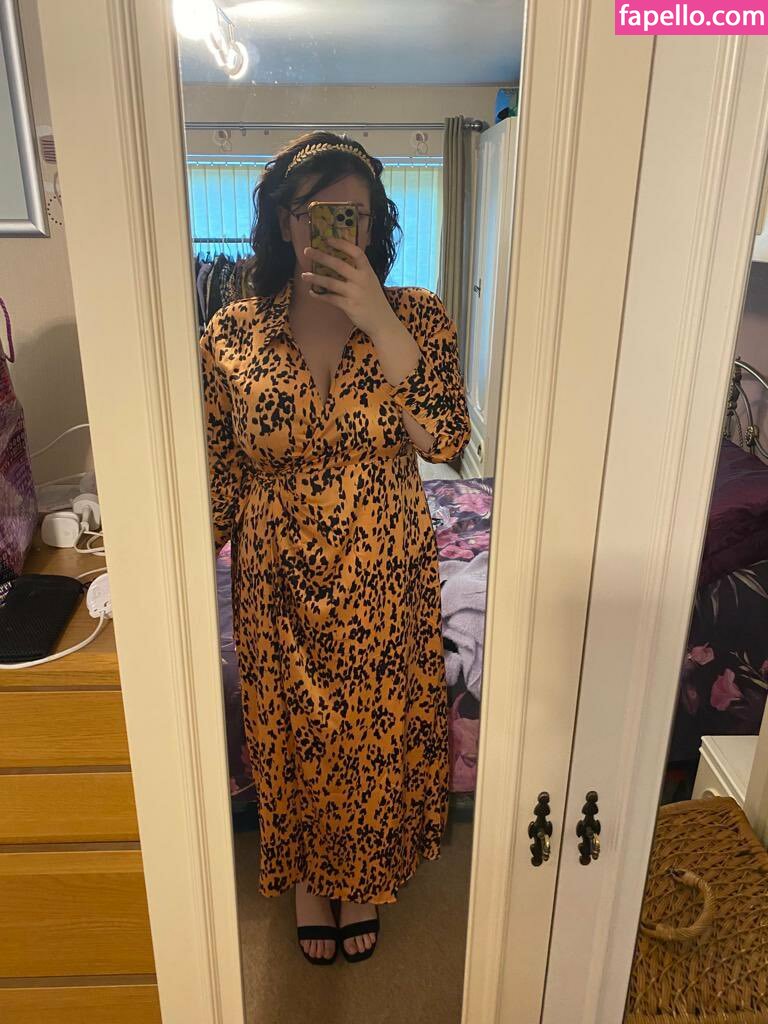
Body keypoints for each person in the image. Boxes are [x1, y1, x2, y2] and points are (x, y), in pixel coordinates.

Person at [198, 131, 471, 966]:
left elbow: (445, 439)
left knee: (371, 732)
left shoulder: (415, 315)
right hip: (276, 577)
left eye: (351, 215)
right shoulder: (231, 333)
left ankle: (363, 877)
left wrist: (379, 321)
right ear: (283, 223)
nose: (330, 230)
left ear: (374, 224)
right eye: (312, 213)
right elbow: (218, 470)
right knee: (290, 729)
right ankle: (310, 880)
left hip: (383, 569)